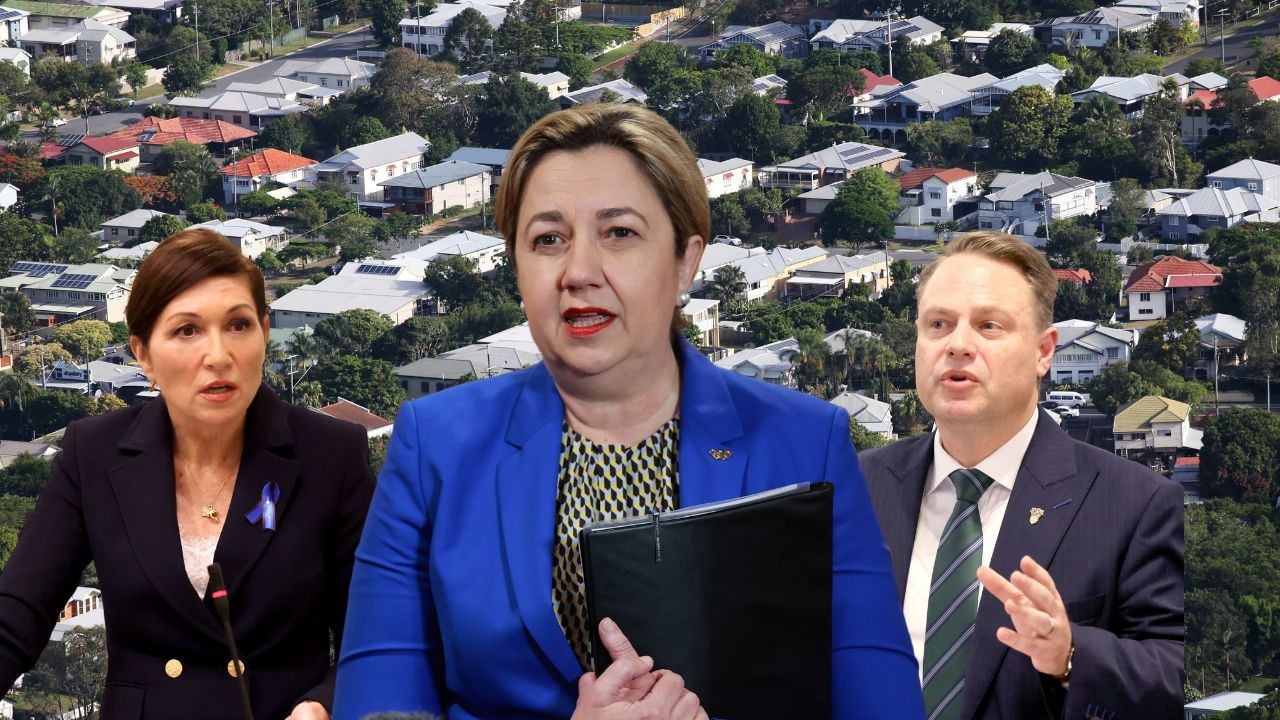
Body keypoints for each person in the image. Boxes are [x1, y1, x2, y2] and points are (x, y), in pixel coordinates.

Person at [334, 103, 924, 720]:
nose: (578, 272)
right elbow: (377, 705)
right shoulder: (436, 444)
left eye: (619, 233)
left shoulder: (806, 441)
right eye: (548, 239)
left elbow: (880, 701)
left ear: (685, 259)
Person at [0, 229, 375, 720]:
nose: (218, 355)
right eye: (186, 330)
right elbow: (18, 614)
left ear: (265, 332)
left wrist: (322, 705)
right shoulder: (93, 452)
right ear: (143, 353)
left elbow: (374, 637)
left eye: (239, 325)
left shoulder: (331, 454)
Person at [859, 232, 1184, 720]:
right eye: (938, 325)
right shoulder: (859, 485)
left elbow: (1167, 681)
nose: (958, 345)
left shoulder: (1134, 503)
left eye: (989, 326)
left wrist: (1069, 655)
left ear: (1043, 352)